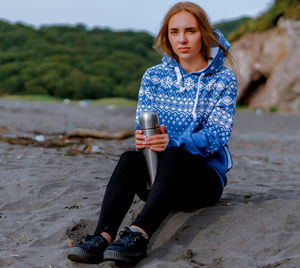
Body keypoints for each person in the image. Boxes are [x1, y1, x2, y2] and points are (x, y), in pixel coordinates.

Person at [67, 1, 237, 266]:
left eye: (190, 31)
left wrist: (173, 141)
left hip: (202, 181)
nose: (182, 39)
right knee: (129, 158)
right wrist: (143, 138)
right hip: (158, 179)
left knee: (175, 154)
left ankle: (138, 235)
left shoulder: (224, 79)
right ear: (167, 36)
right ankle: (103, 236)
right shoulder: (153, 77)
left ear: (204, 33)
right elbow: (142, 124)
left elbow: (218, 134)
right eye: (174, 32)